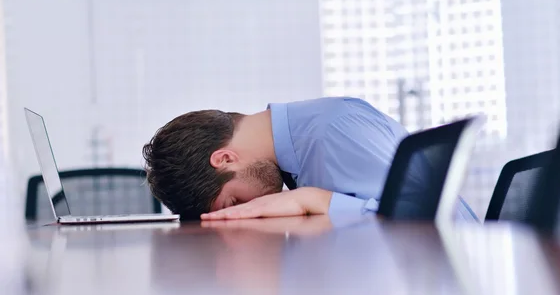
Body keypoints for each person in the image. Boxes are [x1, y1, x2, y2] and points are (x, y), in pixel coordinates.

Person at [142, 97, 477, 221]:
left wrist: (312, 199)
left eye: (235, 202)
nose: (249, 211)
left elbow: (417, 224)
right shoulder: (299, 149)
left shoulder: (332, 132)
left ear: (225, 158)